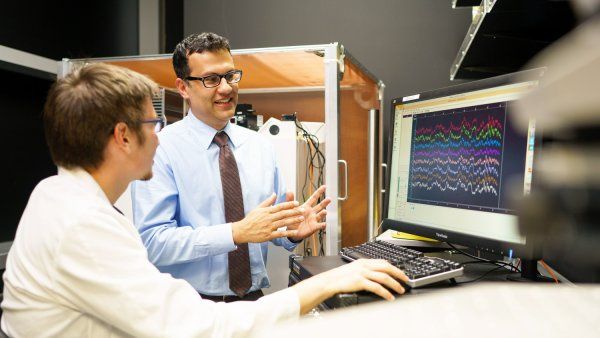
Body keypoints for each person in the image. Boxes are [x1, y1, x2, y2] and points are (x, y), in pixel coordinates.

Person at [0, 62, 408, 337]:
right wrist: (325, 283)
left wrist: (286, 233)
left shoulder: (57, 195)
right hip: (203, 311)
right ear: (123, 136)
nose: (159, 135)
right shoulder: (81, 226)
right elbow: (193, 324)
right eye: (153, 122)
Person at [132, 32, 330, 301]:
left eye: (230, 76)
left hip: (253, 301)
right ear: (183, 88)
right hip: (190, 306)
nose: (225, 88)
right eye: (211, 79)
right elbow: (153, 242)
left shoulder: (259, 147)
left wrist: (293, 232)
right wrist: (234, 233)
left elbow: (273, 228)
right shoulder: (160, 149)